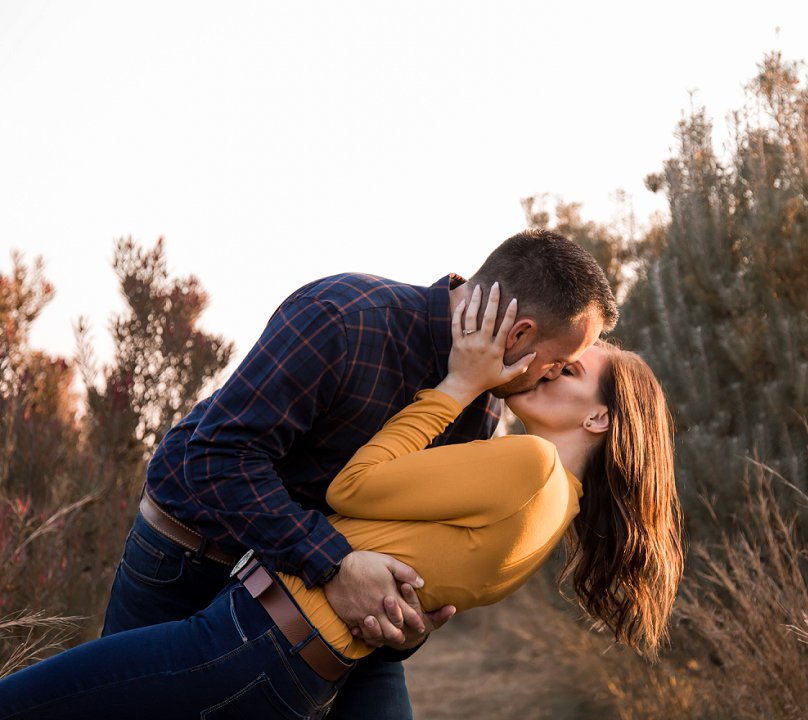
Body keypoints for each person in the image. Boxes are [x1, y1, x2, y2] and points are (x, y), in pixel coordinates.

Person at [0, 283, 685, 719]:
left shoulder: (514, 449)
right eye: (556, 359)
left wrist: (454, 388)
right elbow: (413, 558)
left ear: (598, 420)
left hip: (256, 635)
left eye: (568, 372)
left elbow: (352, 494)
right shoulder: (554, 503)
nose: (540, 373)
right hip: (230, 593)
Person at [94, 228, 619, 720]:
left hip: (319, 604)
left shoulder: (483, 406)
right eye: (558, 361)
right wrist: (334, 563)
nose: (551, 375)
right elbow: (214, 458)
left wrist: (407, 621)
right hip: (190, 559)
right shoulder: (344, 316)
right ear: (521, 332)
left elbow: (409, 538)